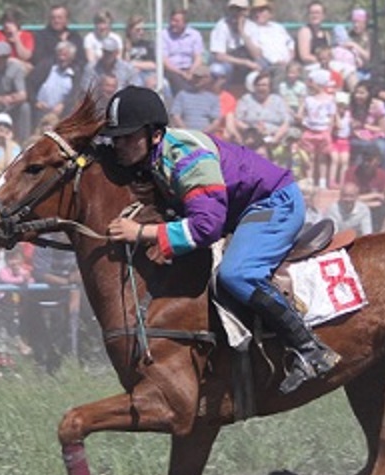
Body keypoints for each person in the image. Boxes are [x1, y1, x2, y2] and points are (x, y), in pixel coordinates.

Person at [101, 85, 340, 394]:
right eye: (115, 137)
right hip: (243, 209)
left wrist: (141, 232)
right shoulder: (154, 153)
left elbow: (206, 227)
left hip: (274, 203)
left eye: (127, 137)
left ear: (155, 135)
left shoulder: (187, 159)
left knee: (236, 275)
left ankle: (309, 349)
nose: (119, 145)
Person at [23, 234, 78, 374]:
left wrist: (77, 274)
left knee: (61, 337)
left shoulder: (75, 243)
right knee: (40, 338)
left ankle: (59, 368)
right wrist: (66, 282)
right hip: (39, 301)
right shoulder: (44, 243)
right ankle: (40, 368)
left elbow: (80, 270)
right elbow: (40, 273)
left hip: (63, 300)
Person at [209, 0, 262, 87]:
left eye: (239, 10)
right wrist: (245, 62)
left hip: (247, 61)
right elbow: (219, 56)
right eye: (233, 9)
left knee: (261, 67)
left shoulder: (252, 27)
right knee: (217, 70)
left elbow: (257, 55)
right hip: (228, 62)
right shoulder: (222, 25)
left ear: (246, 11)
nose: (236, 13)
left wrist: (241, 31)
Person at [33, 40, 81, 127]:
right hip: (41, 109)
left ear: (72, 57)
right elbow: (30, 84)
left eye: (66, 55)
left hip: (62, 111)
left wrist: (63, 105)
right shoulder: (46, 66)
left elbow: (75, 93)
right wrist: (36, 101)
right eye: (60, 54)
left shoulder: (75, 72)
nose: (62, 58)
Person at [160, 8, 205, 96]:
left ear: (185, 23)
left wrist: (191, 71)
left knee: (206, 78)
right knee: (179, 82)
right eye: (172, 20)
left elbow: (198, 57)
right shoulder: (163, 35)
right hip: (172, 70)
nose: (173, 23)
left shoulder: (194, 35)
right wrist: (182, 73)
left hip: (191, 68)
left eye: (177, 21)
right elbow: (165, 61)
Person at [169, 64, 221, 133]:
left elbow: (216, 121)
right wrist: (188, 132)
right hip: (185, 134)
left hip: (205, 135)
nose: (197, 80)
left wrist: (203, 133)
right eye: (195, 77)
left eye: (200, 77)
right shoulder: (182, 95)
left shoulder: (213, 98)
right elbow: (175, 116)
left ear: (207, 79)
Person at [295, 2, 331, 66]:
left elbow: (329, 53)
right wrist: (321, 61)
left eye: (317, 13)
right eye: (312, 13)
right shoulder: (305, 31)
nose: (314, 15)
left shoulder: (326, 34)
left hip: (323, 65)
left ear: (323, 16)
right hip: (307, 66)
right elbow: (305, 57)